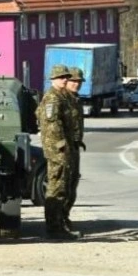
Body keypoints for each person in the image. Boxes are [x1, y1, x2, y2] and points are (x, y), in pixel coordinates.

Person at [35, 64, 81, 240]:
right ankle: (54, 228)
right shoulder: (53, 98)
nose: (65, 79)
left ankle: (60, 224)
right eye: (62, 77)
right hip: (57, 149)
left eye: (66, 77)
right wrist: (62, 146)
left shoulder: (63, 96)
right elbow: (52, 125)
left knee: (65, 185)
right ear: (53, 79)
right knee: (56, 187)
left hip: (64, 148)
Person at [63, 67, 87, 231]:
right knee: (62, 187)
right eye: (73, 81)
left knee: (72, 185)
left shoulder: (75, 100)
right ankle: (58, 222)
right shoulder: (60, 99)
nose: (76, 84)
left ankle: (65, 218)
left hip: (73, 147)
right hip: (63, 149)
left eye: (79, 82)